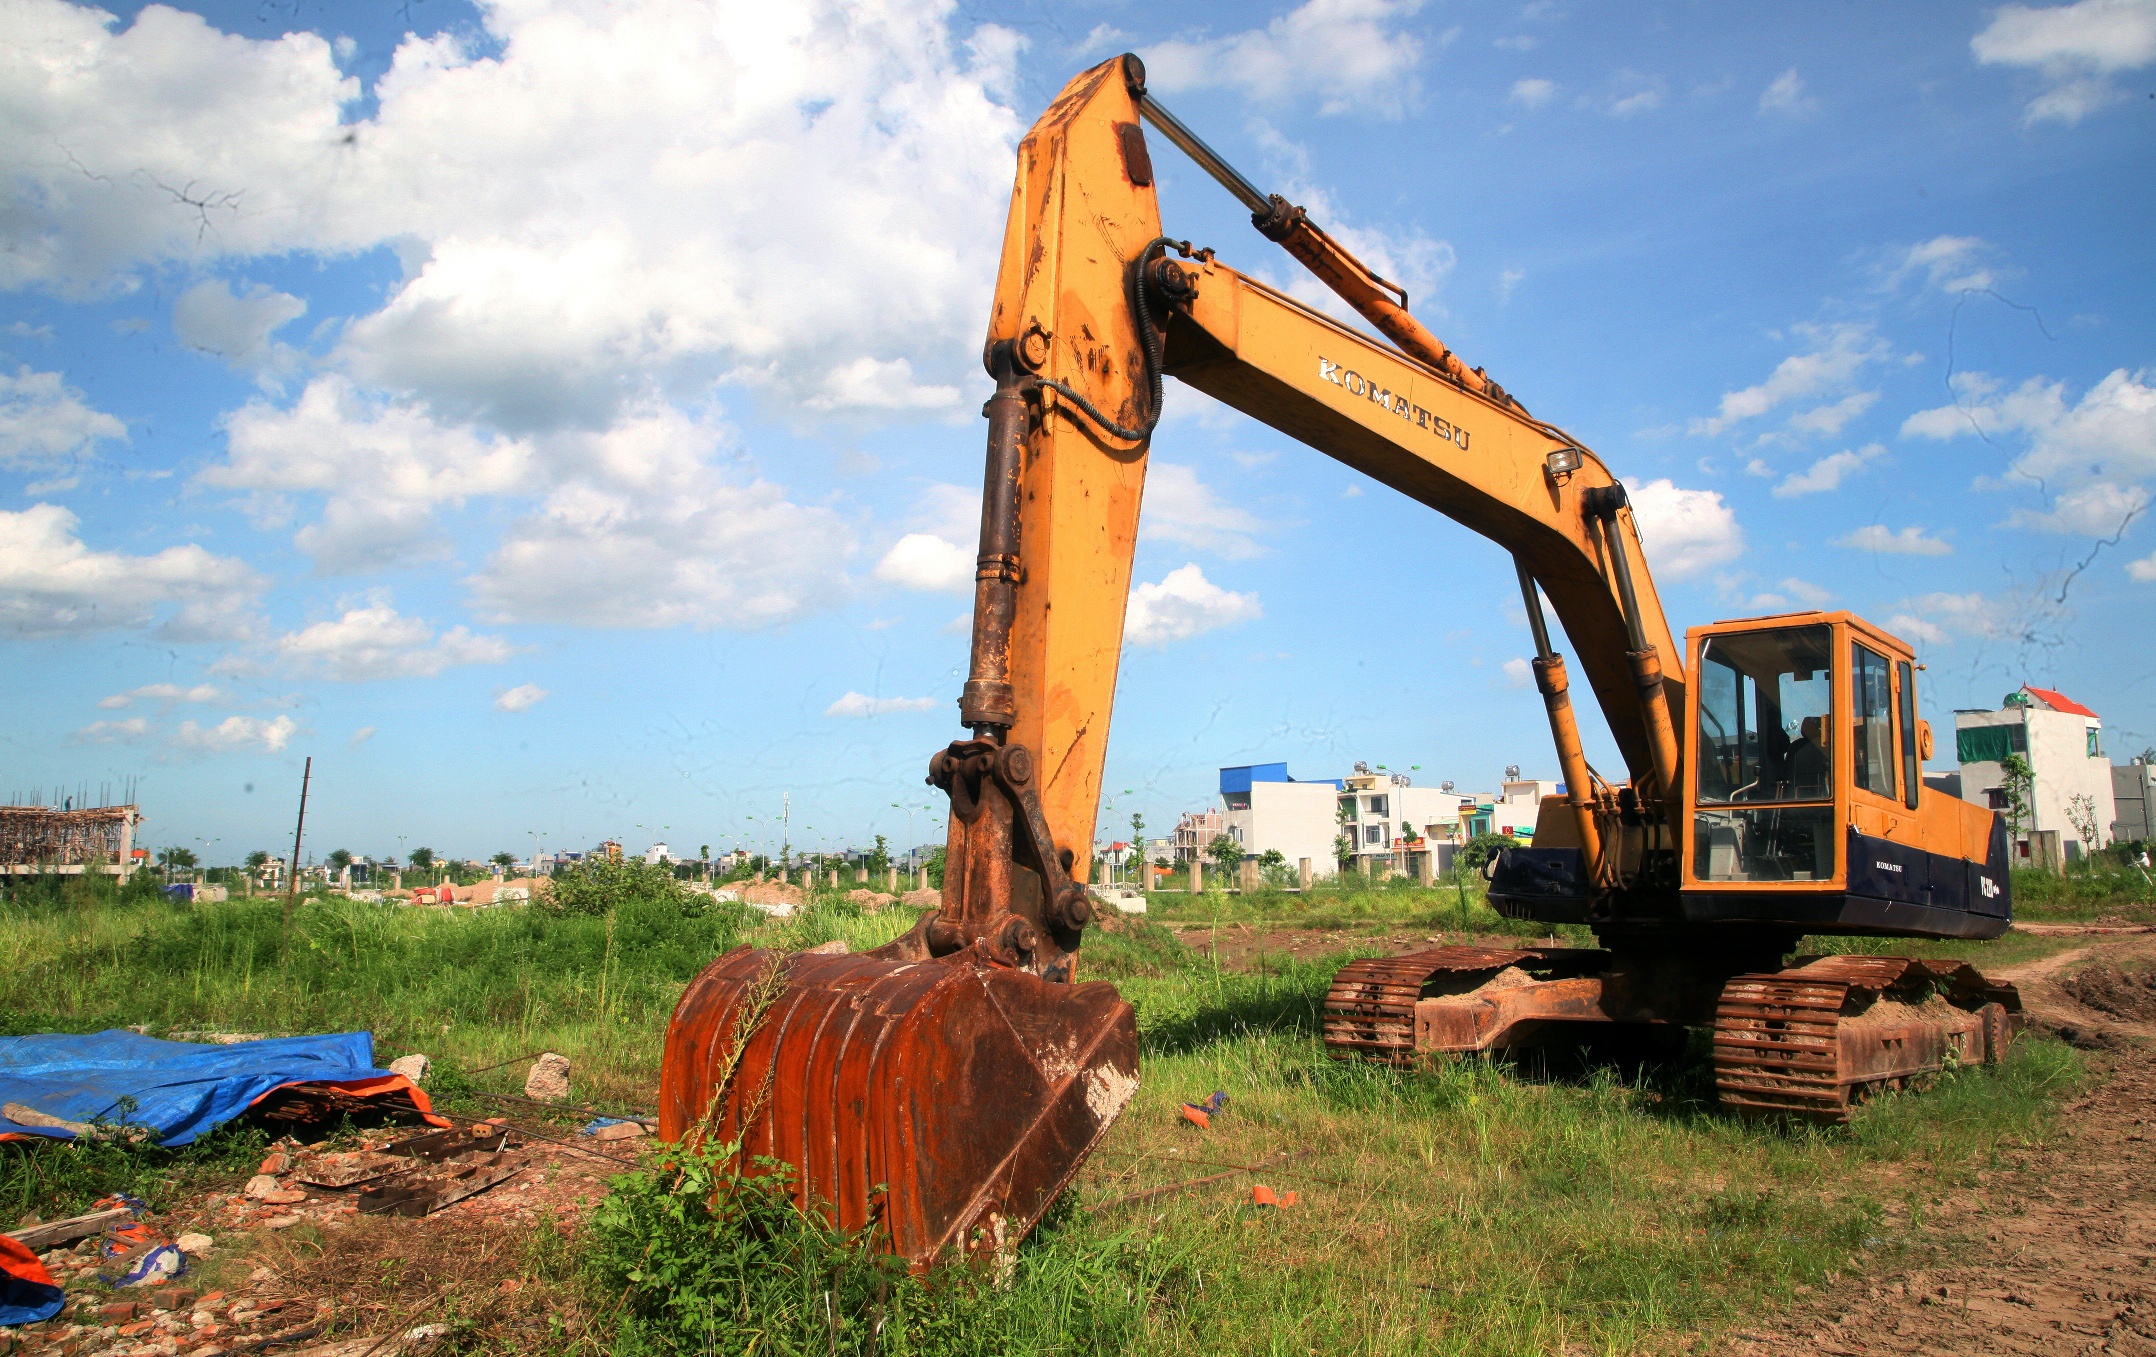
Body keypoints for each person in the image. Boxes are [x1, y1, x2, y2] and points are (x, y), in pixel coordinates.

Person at [1786, 715, 1830, 799]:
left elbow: (1786, 772)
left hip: (1794, 797)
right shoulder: (1824, 746)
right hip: (1822, 797)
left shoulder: (1795, 746)